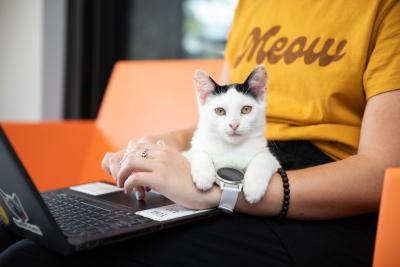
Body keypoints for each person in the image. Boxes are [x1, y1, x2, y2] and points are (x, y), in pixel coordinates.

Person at [1, 0, 399, 266]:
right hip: (234, 169)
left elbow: (383, 172)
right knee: (18, 230)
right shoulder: (252, 6)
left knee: (29, 260)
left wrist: (217, 194)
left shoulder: (385, 8)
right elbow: (222, 118)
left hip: (320, 207)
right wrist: (163, 144)